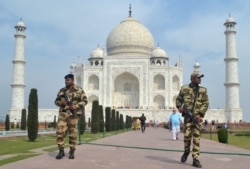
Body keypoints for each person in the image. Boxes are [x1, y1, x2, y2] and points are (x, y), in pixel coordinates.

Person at [176, 72, 209, 168]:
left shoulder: (203, 90)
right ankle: (186, 151)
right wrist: (179, 107)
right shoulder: (184, 89)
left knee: (196, 139)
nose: (200, 79)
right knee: (186, 137)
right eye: (198, 78)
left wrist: (200, 114)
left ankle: (195, 159)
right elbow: (178, 100)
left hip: (197, 118)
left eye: (200, 78)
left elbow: (206, 103)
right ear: (192, 78)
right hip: (187, 118)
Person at [54, 73, 88, 160]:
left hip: (73, 115)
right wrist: (60, 103)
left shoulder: (79, 90)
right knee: (59, 133)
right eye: (65, 80)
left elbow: (85, 101)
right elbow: (56, 101)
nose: (66, 82)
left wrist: (76, 106)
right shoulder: (62, 91)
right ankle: (61, 151)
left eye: (68, 80)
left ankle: (72, 151)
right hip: (63, 114)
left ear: (72, 80)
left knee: (73, 135)